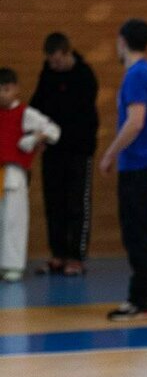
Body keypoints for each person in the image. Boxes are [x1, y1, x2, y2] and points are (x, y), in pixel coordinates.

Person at [99, 18, 147, 321]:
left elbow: (135, 121)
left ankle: (141, 300)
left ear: (121, 41)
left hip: (136, 166)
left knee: (134, 234)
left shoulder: (134, 75)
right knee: (141, 231)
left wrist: (110, 154)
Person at [29, 32, 99, 277]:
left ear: (68, 53)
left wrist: (58, 133)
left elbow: (81, 116)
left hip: (78, 150)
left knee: (76, 204)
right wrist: (37, 134)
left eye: (58, 61)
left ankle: (76, 257)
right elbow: (36, 107)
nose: (55, 66)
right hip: (53, 151)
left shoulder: (84, 76)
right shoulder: (47, 74)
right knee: (54, 203)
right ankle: (57, 254)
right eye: (51, 62)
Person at [0, 67, 60, 282]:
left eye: (6, 89)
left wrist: (36, 138)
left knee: (14, 219)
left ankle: (12, 265)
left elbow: (54, 130)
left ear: (15, 89)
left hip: (14, 173)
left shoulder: (25, 113)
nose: (2, 95)